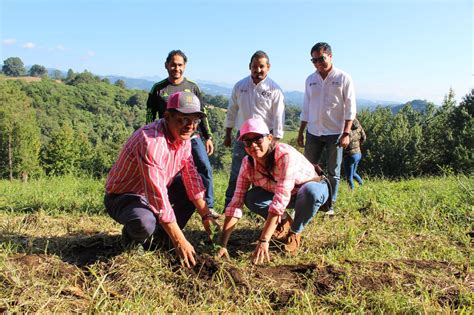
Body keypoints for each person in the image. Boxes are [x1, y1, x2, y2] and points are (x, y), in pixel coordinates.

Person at [105, 91, 220, 268]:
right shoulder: (151, 141)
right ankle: (133, 238)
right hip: (124, 196)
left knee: (190, 191)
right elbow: (156, 194)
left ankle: (162, 237)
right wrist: (180, 240)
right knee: (145, 222)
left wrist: (206, 214)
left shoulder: (184, 138)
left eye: (195, 121)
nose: (190, 126)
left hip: (156, 189)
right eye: (183, 119)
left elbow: (192, 179)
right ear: (167, 116)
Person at [217, 118, 331, 264]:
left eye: (258, 139)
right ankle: (283, 221)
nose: (253, 145)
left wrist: (264, 240)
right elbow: (236, 202)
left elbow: (280, 199)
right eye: (247, 141)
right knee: (251, 197)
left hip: (309, 189)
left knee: (310, 192)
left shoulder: (284, 155)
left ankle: (295, 231)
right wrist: (222, 244)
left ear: (269, 138)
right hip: (285, 195)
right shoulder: (247, 163)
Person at [146, 50, 218, 219]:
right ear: (166, 65)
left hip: (191, 137)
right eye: (173, 64)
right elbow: (150, 115)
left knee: (204, 167)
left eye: (179, 65)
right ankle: (160, 204)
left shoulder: (192, 87)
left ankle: (209, 206)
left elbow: (202, 112)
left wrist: (208, 137)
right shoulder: (158, 88)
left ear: (184, 66)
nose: (176, 68)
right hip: (165, 138)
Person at [297, 42, 357, 215]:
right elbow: (306, 107)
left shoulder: (343, 78)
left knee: (333, 171)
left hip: (335, 133)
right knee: (306, 169)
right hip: (314, 132)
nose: (317, 63)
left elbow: (350, 107)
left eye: (321, 59)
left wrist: (346, 133)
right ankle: (302, 203)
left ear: (330, 56)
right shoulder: (310, 80)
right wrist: (301, 132)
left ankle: (329, 205)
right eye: (313, 60)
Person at [224, 50, 285, 207]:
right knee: (237, 172)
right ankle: (230, 205)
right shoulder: (240, 86)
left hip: (264, 139)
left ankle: (261, 206)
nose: (258, 70)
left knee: (264, 174)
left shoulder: (275, 89)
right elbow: (232, 110)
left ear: (268, 67)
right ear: (249, 67)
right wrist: (228, 133)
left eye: (261, 66)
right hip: (243, 137)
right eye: (254, 66)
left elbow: (279, 116)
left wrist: (275, 141)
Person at [343, 118, 366, 190]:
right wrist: (358, 145)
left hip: (349, 155)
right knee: (353, 173)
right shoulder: (359, 126)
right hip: (358, 154)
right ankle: (362, 185)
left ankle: (351, 193)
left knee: (349, 177)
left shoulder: (346, 129)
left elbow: (343, 142)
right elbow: (364, 137)